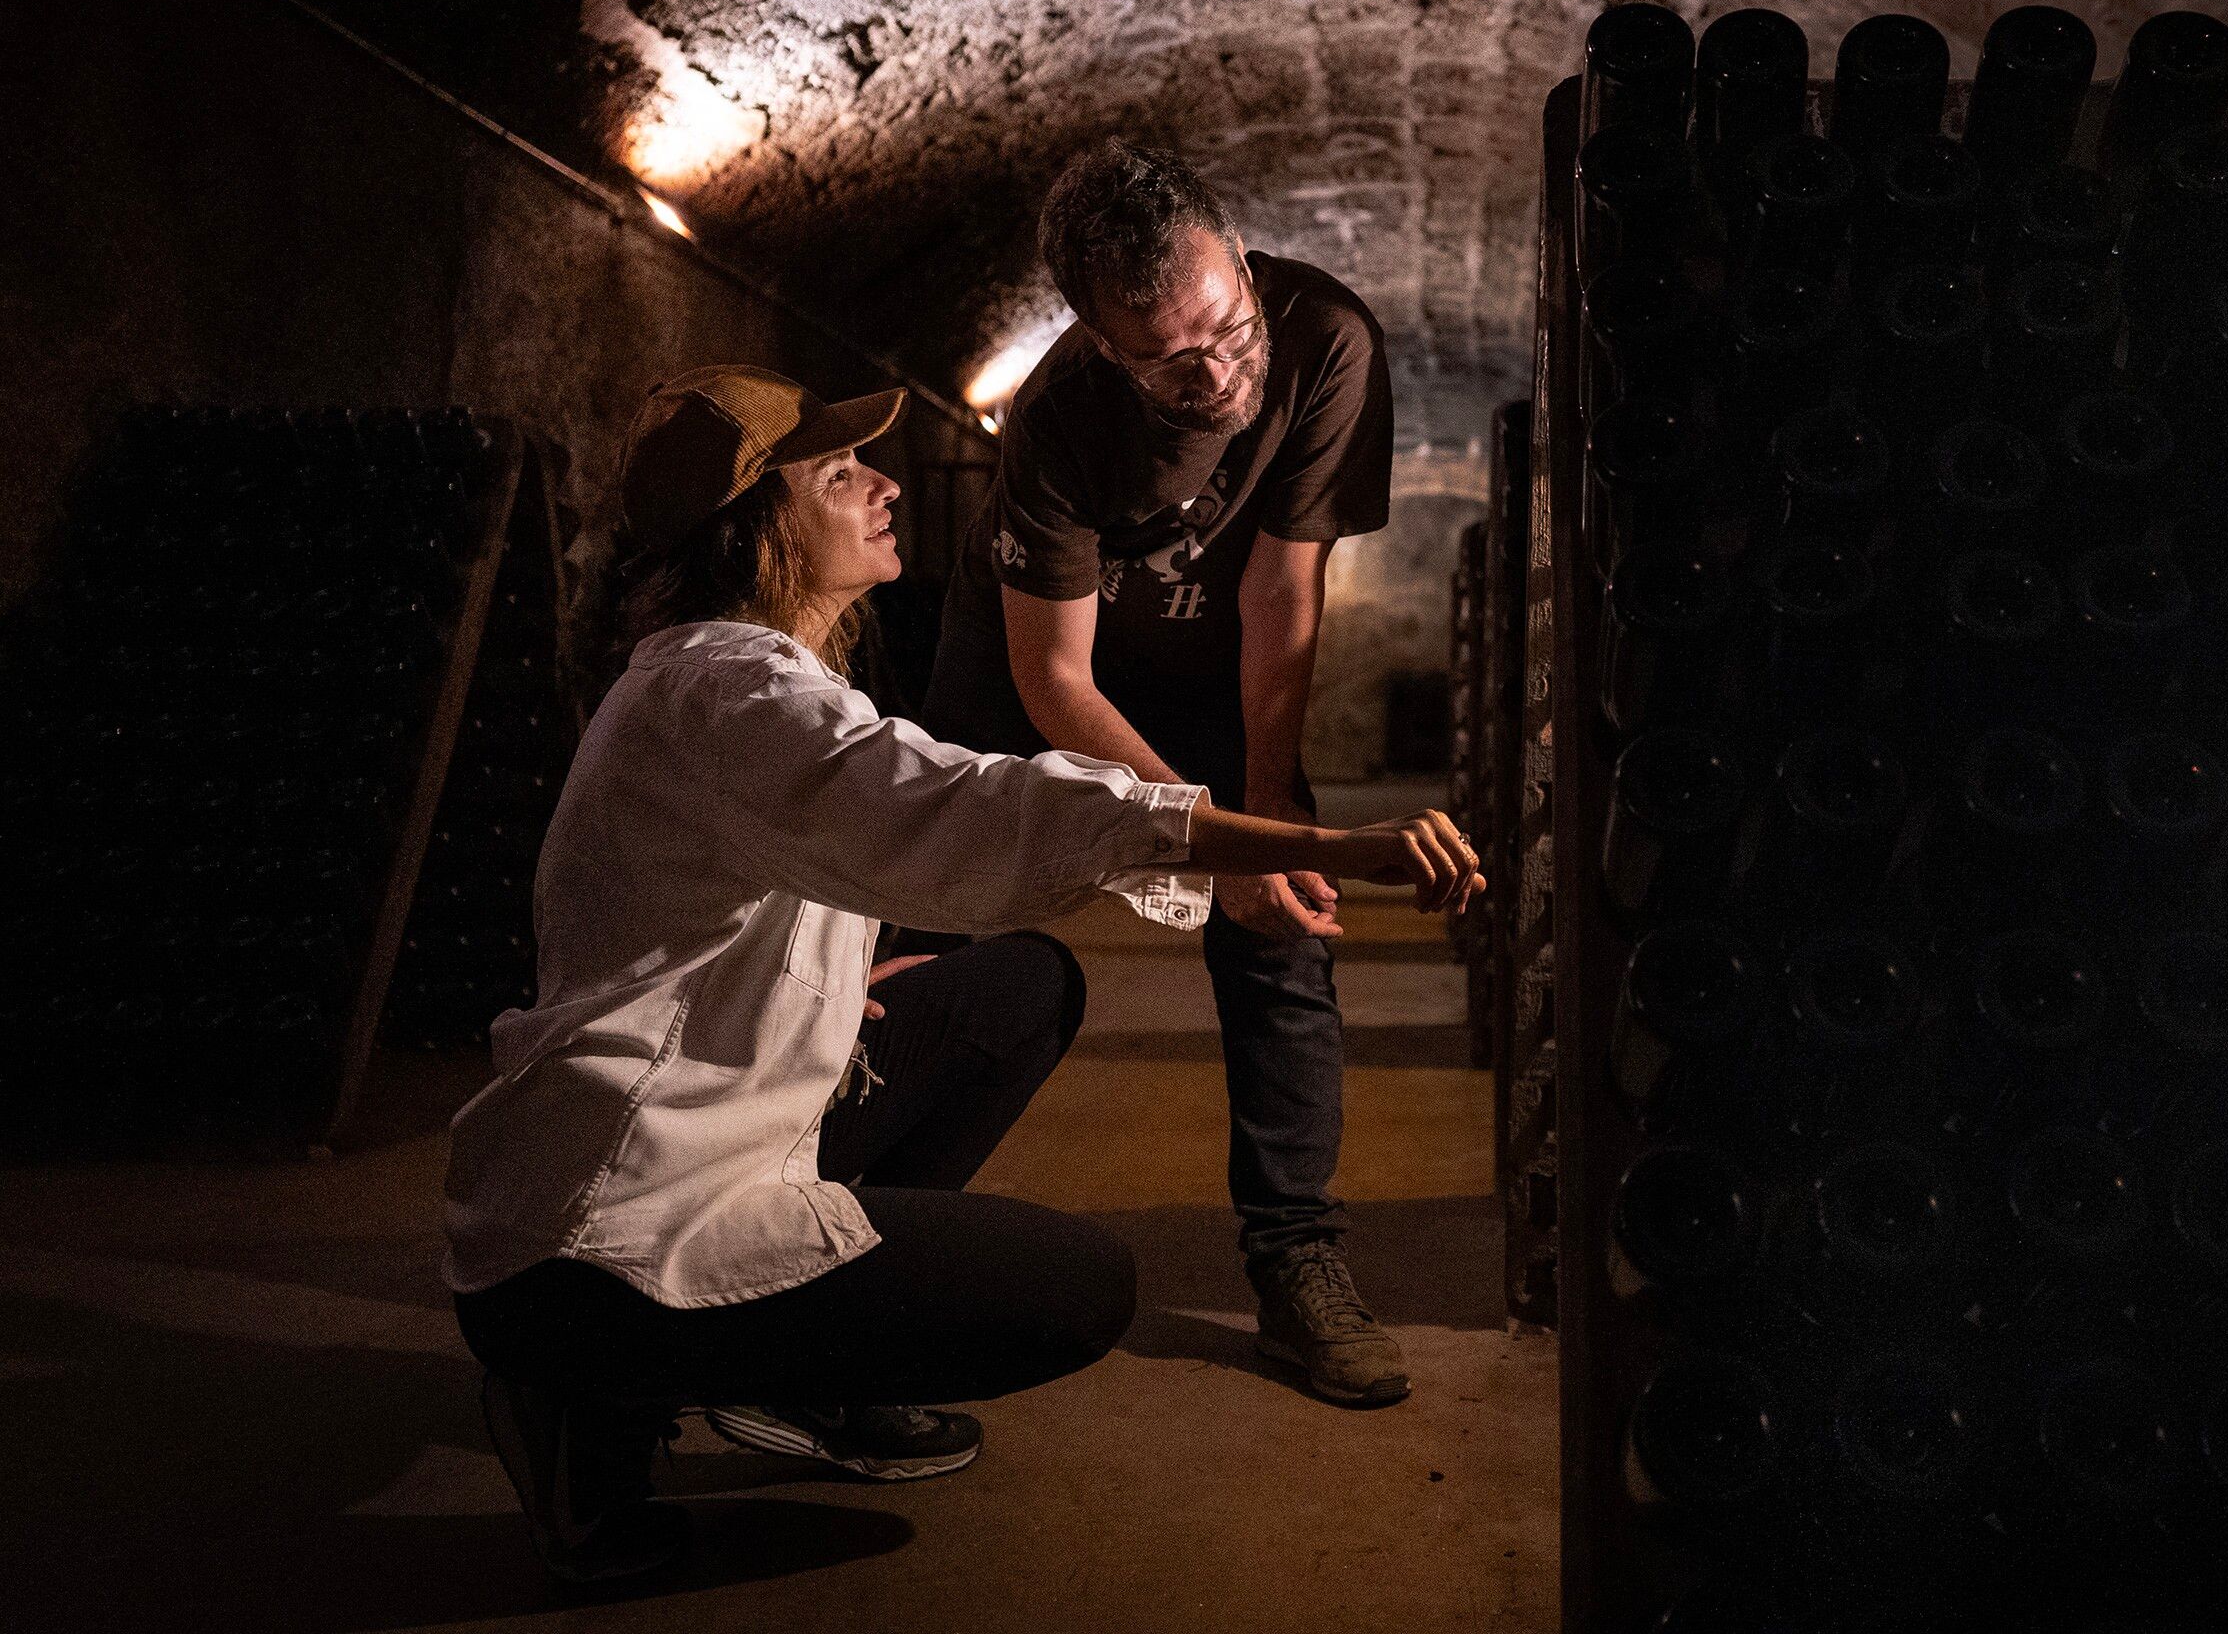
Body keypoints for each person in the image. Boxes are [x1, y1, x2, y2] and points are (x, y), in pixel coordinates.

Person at [442, 364, 1478, 1583]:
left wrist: (821, 980)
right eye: (838, 474)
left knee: (1015, 989)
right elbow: (974, 802)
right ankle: (595, 1413)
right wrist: (1315, 841)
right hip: (606, 1226)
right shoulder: (734, 688)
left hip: (680, 1136)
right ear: (755, 532)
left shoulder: (725, 679)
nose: (885, 483)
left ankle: (795, 1375)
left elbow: (749, 886)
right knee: (1076, 1287)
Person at [921, 140, 1416, 1405]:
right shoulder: (1054, 421)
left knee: (1284, 914)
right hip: (1039, 663)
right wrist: (1193, 838)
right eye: (1172, 360)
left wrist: (1260, 827)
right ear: (1098, 339)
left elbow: (1280, 580)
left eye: (1228, 327)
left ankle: (1298, 1259)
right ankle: (853, 1234)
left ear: (1242, 267)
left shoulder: (1326, 343)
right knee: (927, 912)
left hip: (1218, 651)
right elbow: (1058, 684)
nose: (1220, 372)